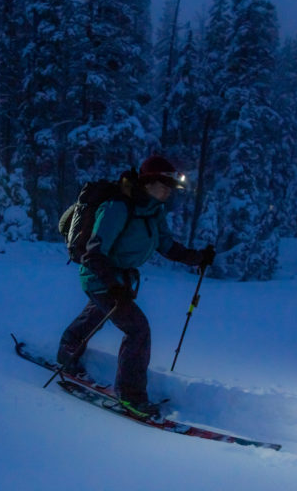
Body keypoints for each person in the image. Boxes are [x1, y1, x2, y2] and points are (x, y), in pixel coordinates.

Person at [57, 155, 216, 416]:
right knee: (138, 330)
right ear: (147, 182)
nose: (168, 190)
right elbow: (93, 254)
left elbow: (166, 246)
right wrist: (113, 286)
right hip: (100, 276)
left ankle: (67, 351)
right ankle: (130, 396)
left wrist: (198, 257)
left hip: (118, 280)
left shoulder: (154, 211)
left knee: (96, 314)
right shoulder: (118, 207)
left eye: (171, 186)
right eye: (163, 184)